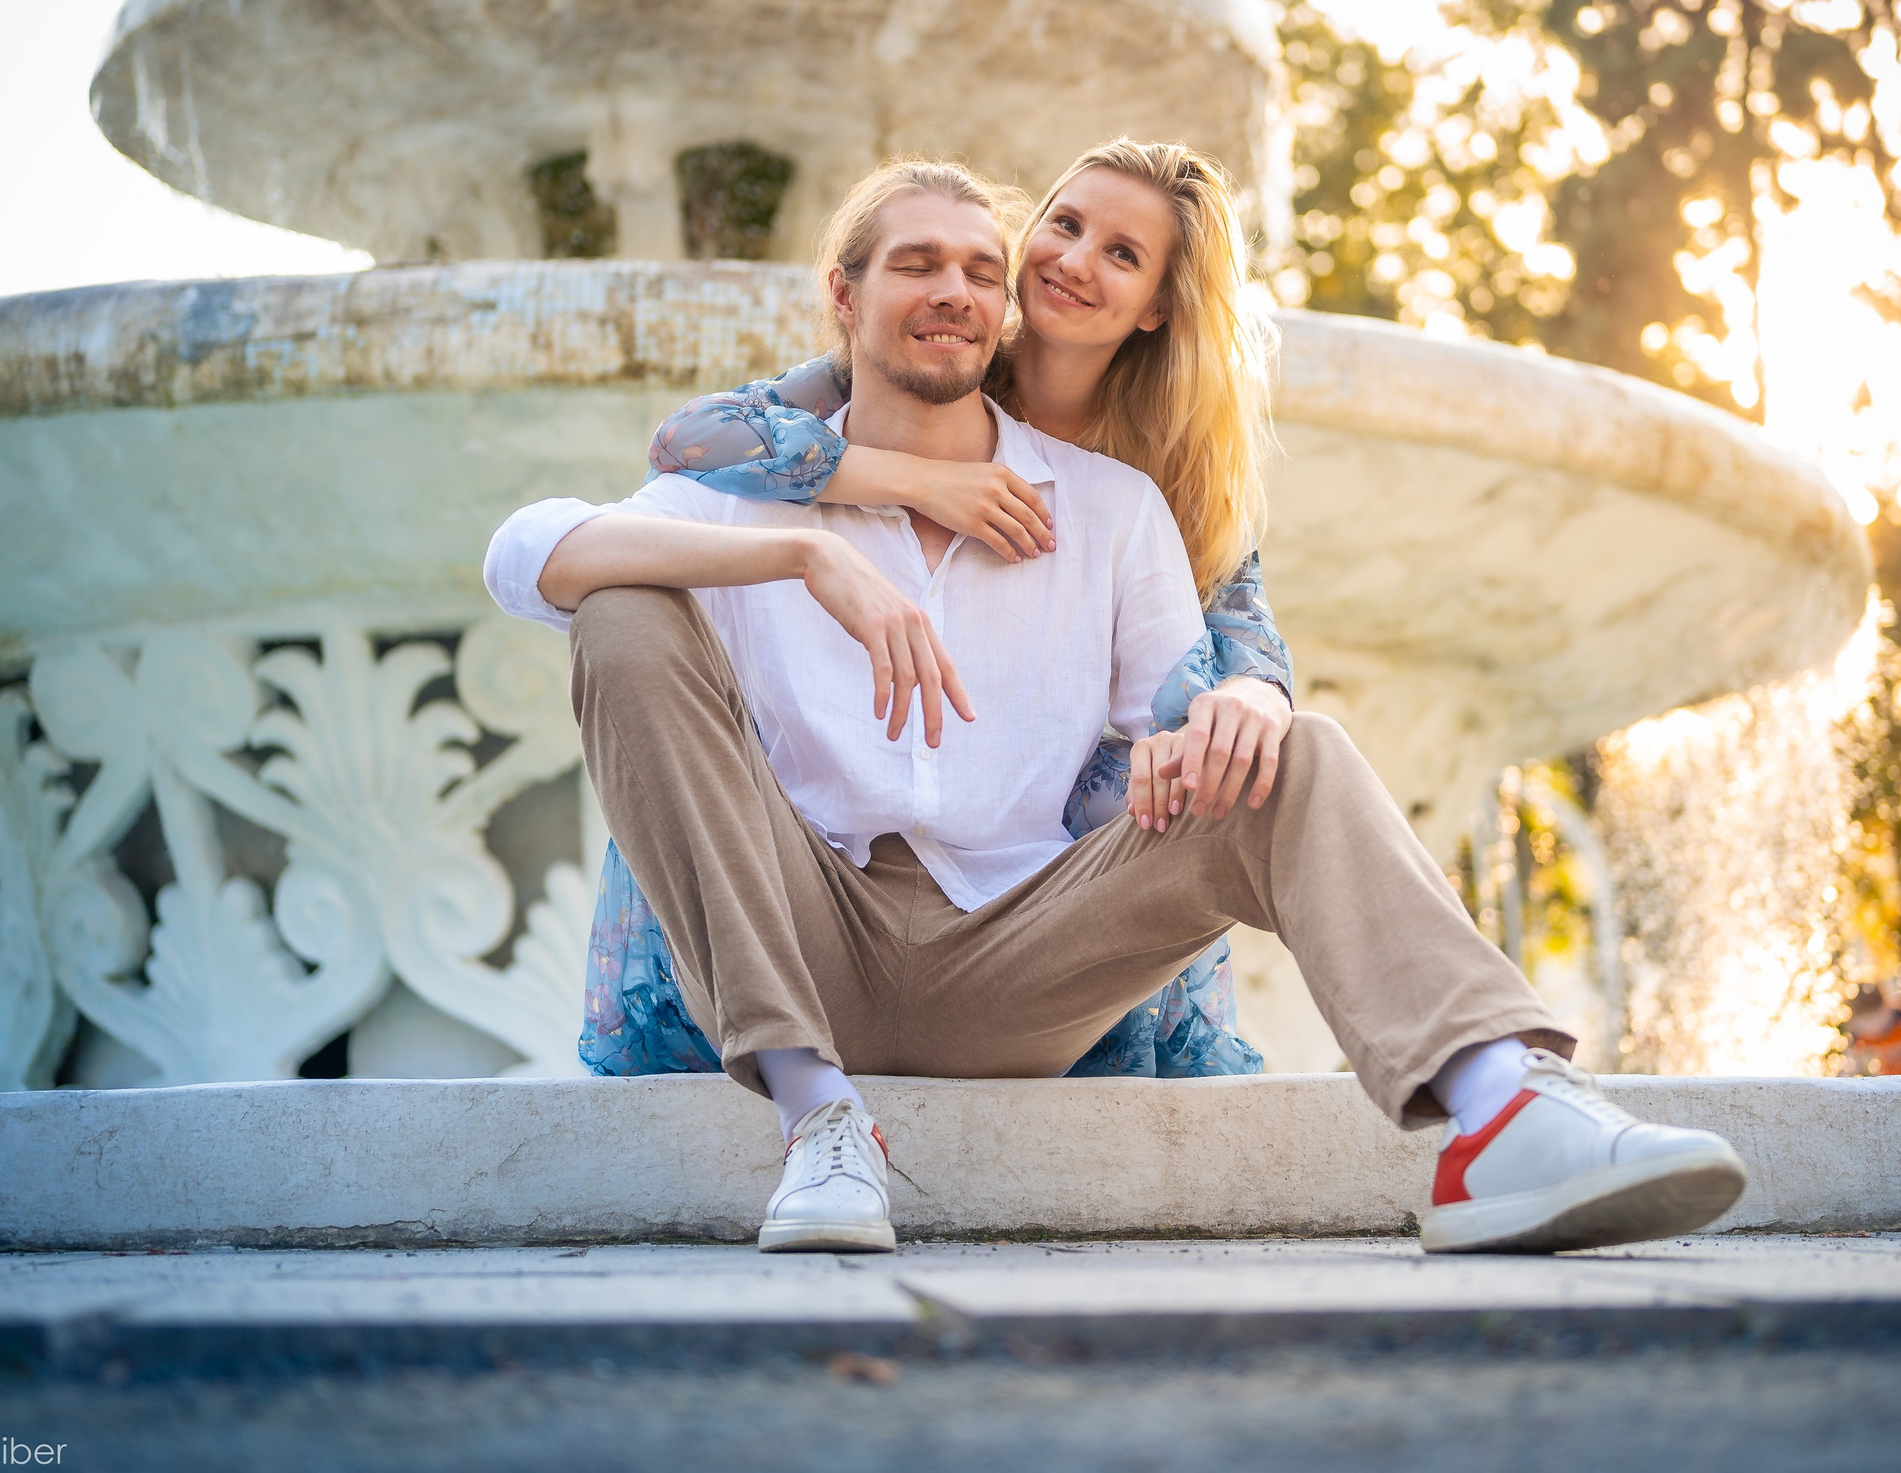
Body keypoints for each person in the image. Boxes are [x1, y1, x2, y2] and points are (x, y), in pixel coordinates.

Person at [484, 159, 1749, 1256]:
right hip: (797, 928)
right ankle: (821, 1119)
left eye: (979, 269)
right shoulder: (754, 488)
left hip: (1016, 955)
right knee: (623, 606)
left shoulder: (1111, 506)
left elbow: (1184, 696)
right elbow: (525, 546)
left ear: (1004, 311)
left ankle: (1504, 1110)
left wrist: (1232, 710)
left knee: (1294, 749)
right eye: (916, 263)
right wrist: (807, 553)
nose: (954, 289)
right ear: (843, 297)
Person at [586, 139, 1296, 1083]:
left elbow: (1243, 635)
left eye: (1122, 254)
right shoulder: (937, 354)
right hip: (846, 864)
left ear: (1159, 305)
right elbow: (689, 439)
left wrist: (1257, 698)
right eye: (1064, 224)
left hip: (1059, 850)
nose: (1074, 260)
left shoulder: (1163, 469)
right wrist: (916, 479)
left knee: (1190, 755)